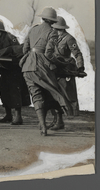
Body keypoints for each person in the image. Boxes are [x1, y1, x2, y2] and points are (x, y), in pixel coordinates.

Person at [20, 7, 73, 136]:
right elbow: (49, 54)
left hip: (27, 67)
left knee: (36, 95)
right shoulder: (52, 32)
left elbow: (25, 49)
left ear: (43, 18)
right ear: (53, 20)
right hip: (42, 67)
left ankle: (43, 127)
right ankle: (64, 115)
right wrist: (59, 63)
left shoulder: (33, 29)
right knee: (55, 92)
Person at [0, 20, 31, 125]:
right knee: (4, 90)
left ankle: (18, 117)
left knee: (15, 93)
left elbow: (18, 51)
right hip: (5, 71)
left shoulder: (10, 38)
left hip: (14, 71)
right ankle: (8, 115)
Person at [48, 16, 85, 130]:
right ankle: (56, 120)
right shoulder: (53, 38)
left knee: (65, 96)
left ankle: (60, 121)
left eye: (56, 28)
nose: (54, 29)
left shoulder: (69, 39)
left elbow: (77, 54)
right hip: (55, 70)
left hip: (65, 71)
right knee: (53, 96)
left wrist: (80, 67)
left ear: (61, 28)